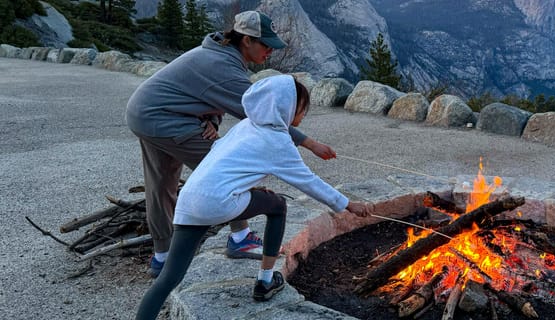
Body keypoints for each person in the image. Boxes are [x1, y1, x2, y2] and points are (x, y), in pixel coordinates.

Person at [136, 75, 373, 320]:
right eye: (301, 108)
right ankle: (265, 281)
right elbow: (310, 182)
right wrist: (348, 204)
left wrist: (247, 189)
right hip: (219, 202)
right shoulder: (278, 141)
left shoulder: (246, 125)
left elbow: (224, 160)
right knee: (278, 206)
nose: (303, 114)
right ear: (285, 107)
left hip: (190, 200)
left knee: (169, 277)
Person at [126, 11, 336, 277]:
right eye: (266, 45)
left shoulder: (220, 55)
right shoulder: (223, 65)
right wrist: (310, 143)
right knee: (227, 170)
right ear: (246, 40)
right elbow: (260, 113)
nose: (270, 51)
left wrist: (211, 120)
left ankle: (162, 256)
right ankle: (240, 238)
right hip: (165, 119)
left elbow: (205, 94)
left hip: (144, 113)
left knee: (161, 185)